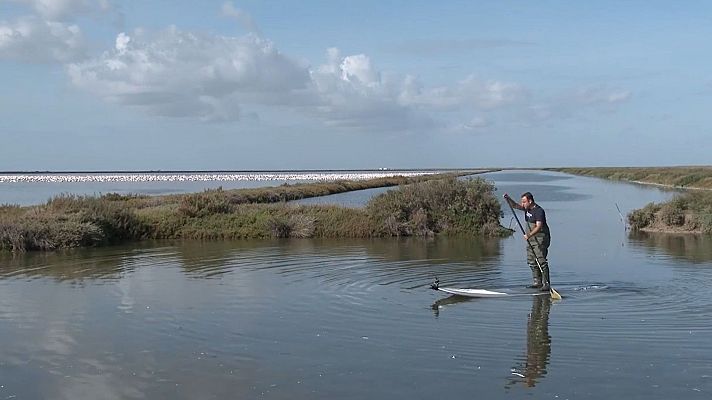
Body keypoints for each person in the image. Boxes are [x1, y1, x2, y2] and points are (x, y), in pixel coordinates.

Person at [503, 192, 551, 291]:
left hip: (540, 238)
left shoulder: (539, 211)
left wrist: (529, 234)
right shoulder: (526, 208)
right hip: (531, 239)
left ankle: (546, 284)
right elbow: (515, 205)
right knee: (531, 260)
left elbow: (539, 226)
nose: (523, 204)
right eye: (522, 202)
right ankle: (537, 282)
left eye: (524, 202)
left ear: (530, 201)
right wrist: (508, 199)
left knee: (540, 260)